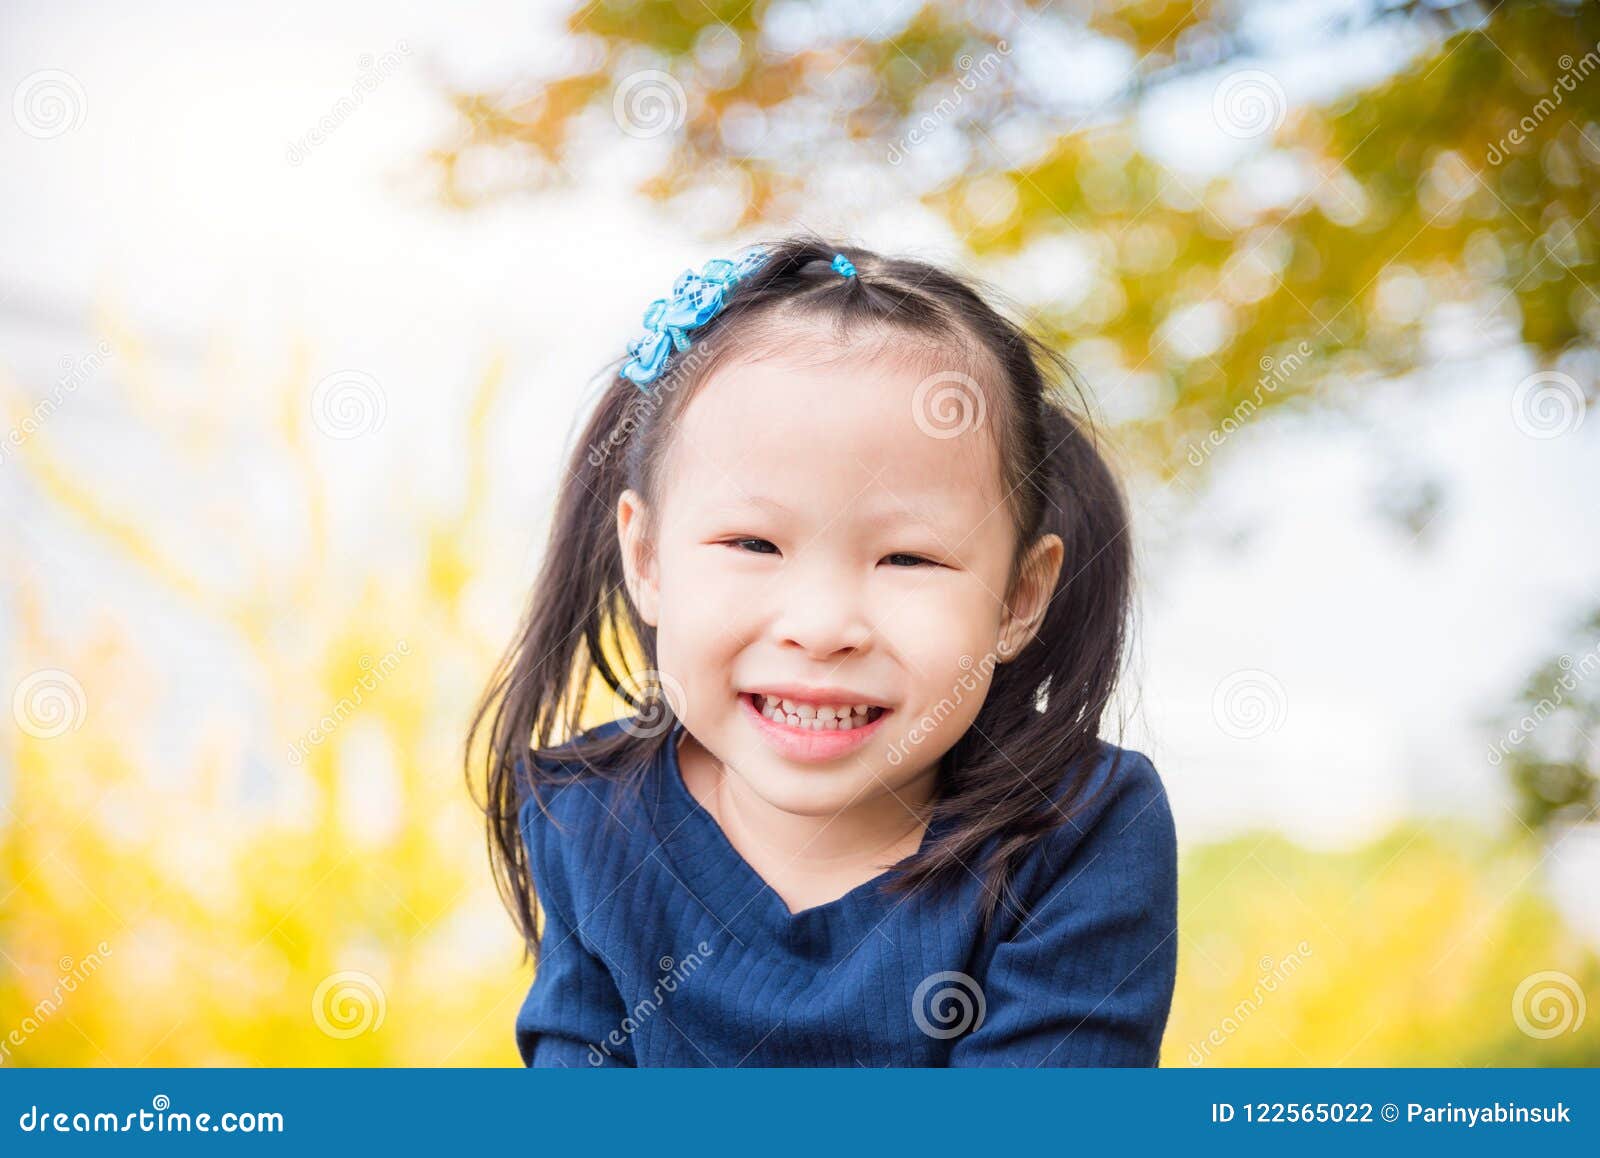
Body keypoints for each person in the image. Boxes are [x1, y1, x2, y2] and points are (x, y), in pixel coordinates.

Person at [467, 234, 1177, 1066]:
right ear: (649, 557)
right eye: (752, 543)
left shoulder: (1072, 830)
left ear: (1020, 597)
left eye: (907, 558)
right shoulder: (586, 818)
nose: (822, 625)